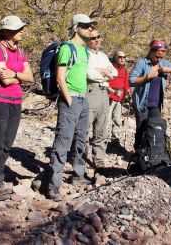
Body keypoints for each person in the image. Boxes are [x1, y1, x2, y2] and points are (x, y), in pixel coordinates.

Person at [47, 13, 96, 201]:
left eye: (91, 26)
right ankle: (53, 186)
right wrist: (68, 99)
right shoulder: (67, 48)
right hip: (71, 100)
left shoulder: (84, 50)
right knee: (63, 141)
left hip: (83, 100)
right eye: (86, 26)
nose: (90, 29)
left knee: (81, 139)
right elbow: (60, 76)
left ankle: (78, 175)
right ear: (76, 28)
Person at [0, 15, 33, 201]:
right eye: (18, 29)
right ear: (6, 32)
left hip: (15, 100)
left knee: (7, 142)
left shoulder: (20, 51)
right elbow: (4, 79)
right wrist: (18, 76)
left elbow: (31, 77)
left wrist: (14, 74)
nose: (22, 31)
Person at [129, 40, 171, 151]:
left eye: (162, 56)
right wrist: (147, 77)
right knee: (141, 128)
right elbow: (131, 80)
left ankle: (151, 153)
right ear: (151, 52)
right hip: (142, 103)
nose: (159, 59)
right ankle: (138, 153)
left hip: (156, 103)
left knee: (154, 127)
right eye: (157, 56)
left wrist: (169, 70)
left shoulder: (164, 63)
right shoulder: (142, 63)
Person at [86, 30, 117, 168]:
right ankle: (81, 157)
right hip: (91, 91)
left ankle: (99, 159)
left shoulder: (103, 56)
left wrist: (103, 71)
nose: (97, 40)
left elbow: (114, 72)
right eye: (93, 38)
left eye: (99, 37)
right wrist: (104, 73)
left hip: (104, 93)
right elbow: (89, 74)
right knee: (85, 128)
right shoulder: (84, 54)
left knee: (101, 128)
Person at [107, 50, 131, 143]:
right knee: (107, 119)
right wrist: (112, 91)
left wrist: (128, 92)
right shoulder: (110, 68)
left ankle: (115, 139)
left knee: (117, 119)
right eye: (120, 57)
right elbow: (105, 82)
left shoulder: (124, 70)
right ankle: (103, 139)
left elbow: (126, 83)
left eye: (124, 57)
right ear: (115, 58)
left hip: (120, 98)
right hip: (110, 96)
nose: (122, 59)